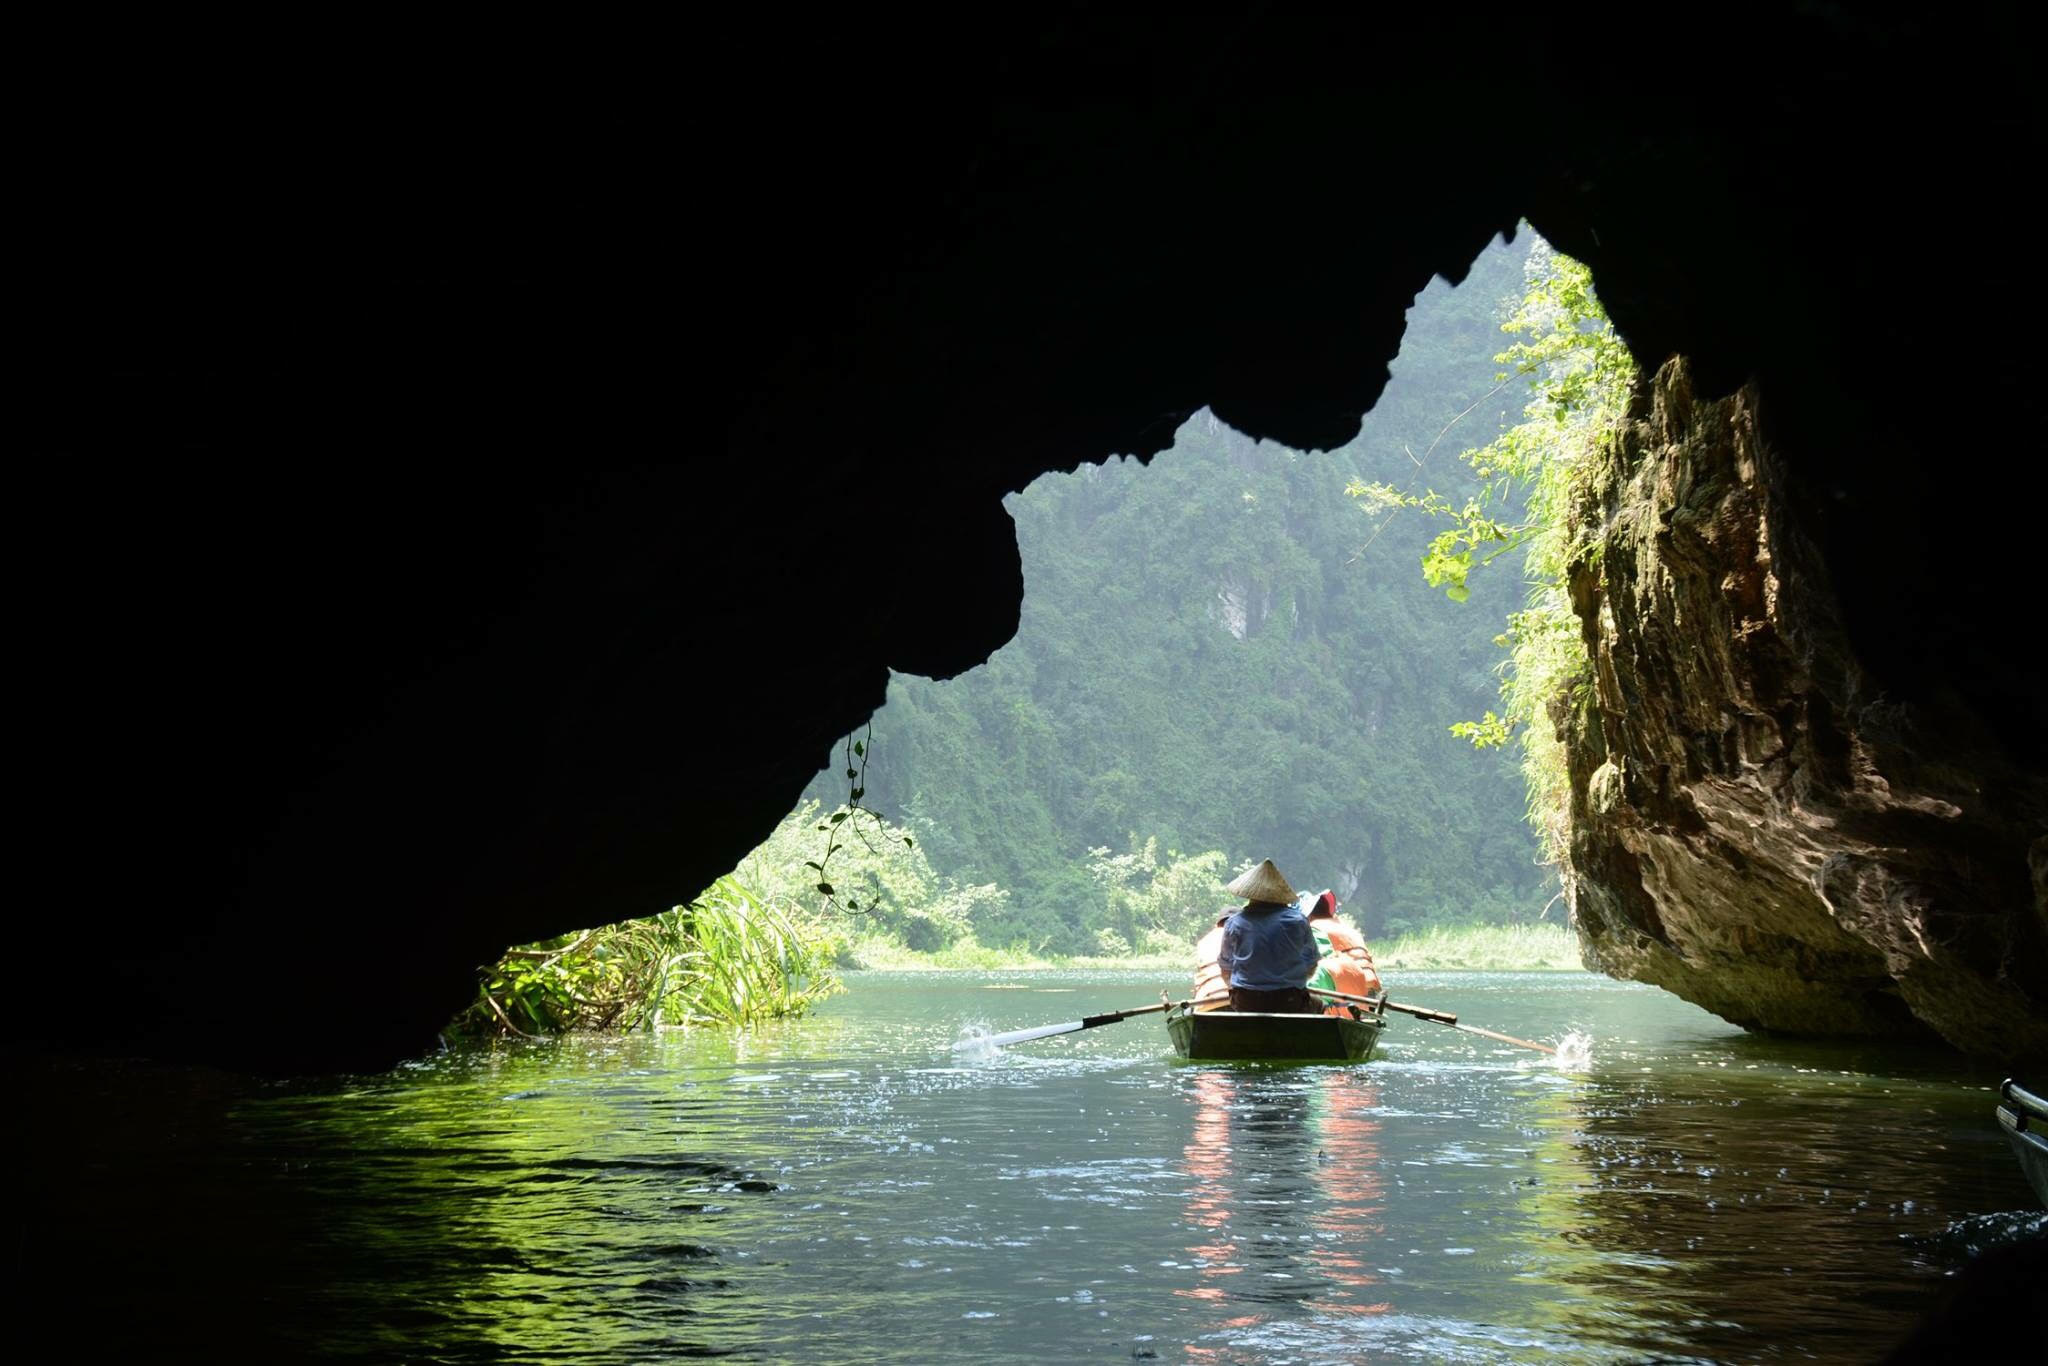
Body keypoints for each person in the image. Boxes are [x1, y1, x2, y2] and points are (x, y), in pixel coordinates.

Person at [1217, 859, 1319, 1013]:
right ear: (1281, 895)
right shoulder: (1298, 921)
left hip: (1246, 1000)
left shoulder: (1234, 922)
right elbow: (1311, 962)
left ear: (1251, 895)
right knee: (1318, 1004)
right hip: (1289, 1000)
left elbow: (1226, 967)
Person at [1299, 889, 1383, 1015]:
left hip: (1343, 984)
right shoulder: (1349, 929)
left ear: (1308, 915)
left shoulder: (1314, 928)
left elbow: (1312, 963)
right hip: (1369, 991)